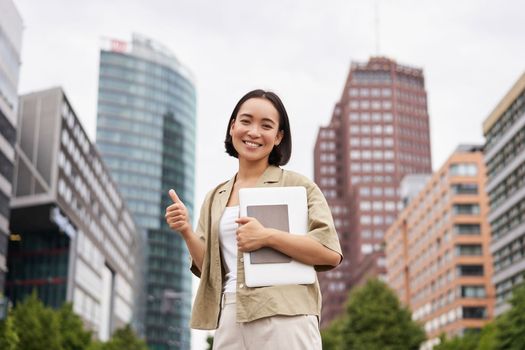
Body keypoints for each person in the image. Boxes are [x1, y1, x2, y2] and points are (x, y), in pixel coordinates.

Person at [165, 89, 343, 349]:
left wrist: (267, 236)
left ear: (278, 136)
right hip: (229, 315)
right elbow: (209, 270)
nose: (254, 132)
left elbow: (330, 253)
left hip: (285, 315)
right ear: (232, 126)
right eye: (246, 121)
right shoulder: (215, 196)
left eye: (266, 125)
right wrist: (186, 231)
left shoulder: (297, 186)